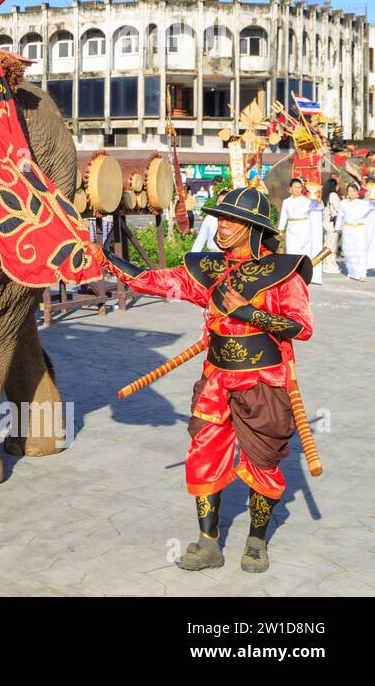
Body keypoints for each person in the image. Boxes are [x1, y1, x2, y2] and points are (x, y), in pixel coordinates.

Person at [91, 187, 314, 574]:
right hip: (214, 380)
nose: (221, 225)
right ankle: (208, 543)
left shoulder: (284, 274)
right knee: (204, 456)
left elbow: (301, 327)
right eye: (220, 218)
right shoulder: (208, 269)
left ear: (252, 227)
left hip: (263, 380)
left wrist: (248, 313)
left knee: (263, 463)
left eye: (231, 220)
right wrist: (106, 258)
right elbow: (153, 280)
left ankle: (257, 542)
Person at [277, 177, 322, 284]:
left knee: (303, 252)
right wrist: (280, 230)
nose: (297, 189)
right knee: (292, 252)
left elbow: (317, 207)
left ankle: (303, 275)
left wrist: (318, 200)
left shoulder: (306, 200)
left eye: (299, 187)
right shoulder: (286, 201)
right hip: (291, 229)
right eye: (295, 187)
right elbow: (284, 215)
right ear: (290, 189)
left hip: (304, 227)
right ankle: (292, 275)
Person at [337, 181, 372, 280]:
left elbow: (372, 206)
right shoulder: (343, 203)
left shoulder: (363, 203)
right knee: (349, 251)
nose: (352, 193)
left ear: (357, 192)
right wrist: (337, 228)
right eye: (350, 191)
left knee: (360, 251)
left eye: (354, 191)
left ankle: (361, 274)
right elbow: (340, 216)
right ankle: (351, 271)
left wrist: (371, 192)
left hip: (359, 229)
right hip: (347, 230)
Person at [322, 178, 342, 273]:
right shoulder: (333, 195)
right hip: (333, 224)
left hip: (327, 223)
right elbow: (339, 208)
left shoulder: (325, 195)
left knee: (327, 244)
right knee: (332, 246)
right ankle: (330, 266)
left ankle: (326, 264)